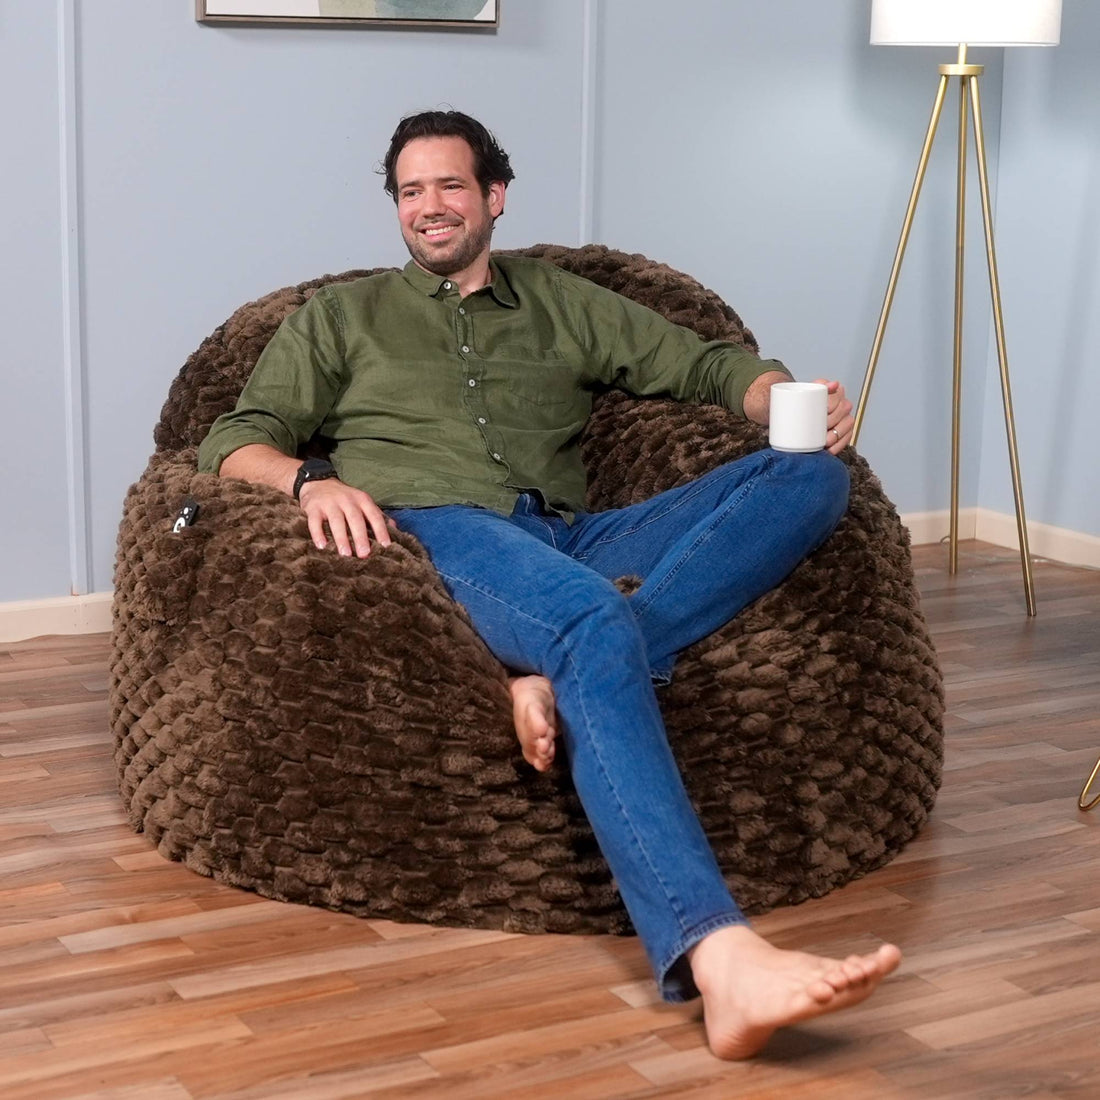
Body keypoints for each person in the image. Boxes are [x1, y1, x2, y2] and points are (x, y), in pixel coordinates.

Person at [197, 109, 900, 1059]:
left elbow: (696, 360)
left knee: (813, 476)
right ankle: (717, 955)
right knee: (589, 621)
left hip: (569, 533)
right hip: (442, 528)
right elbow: (231, 440)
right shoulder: (341, 318)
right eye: (410, 192)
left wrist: (771, 393)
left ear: (493, 196)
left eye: (450, 185)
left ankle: (564, 669)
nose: (429, 208)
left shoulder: (562, 300)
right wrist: (312, 479)